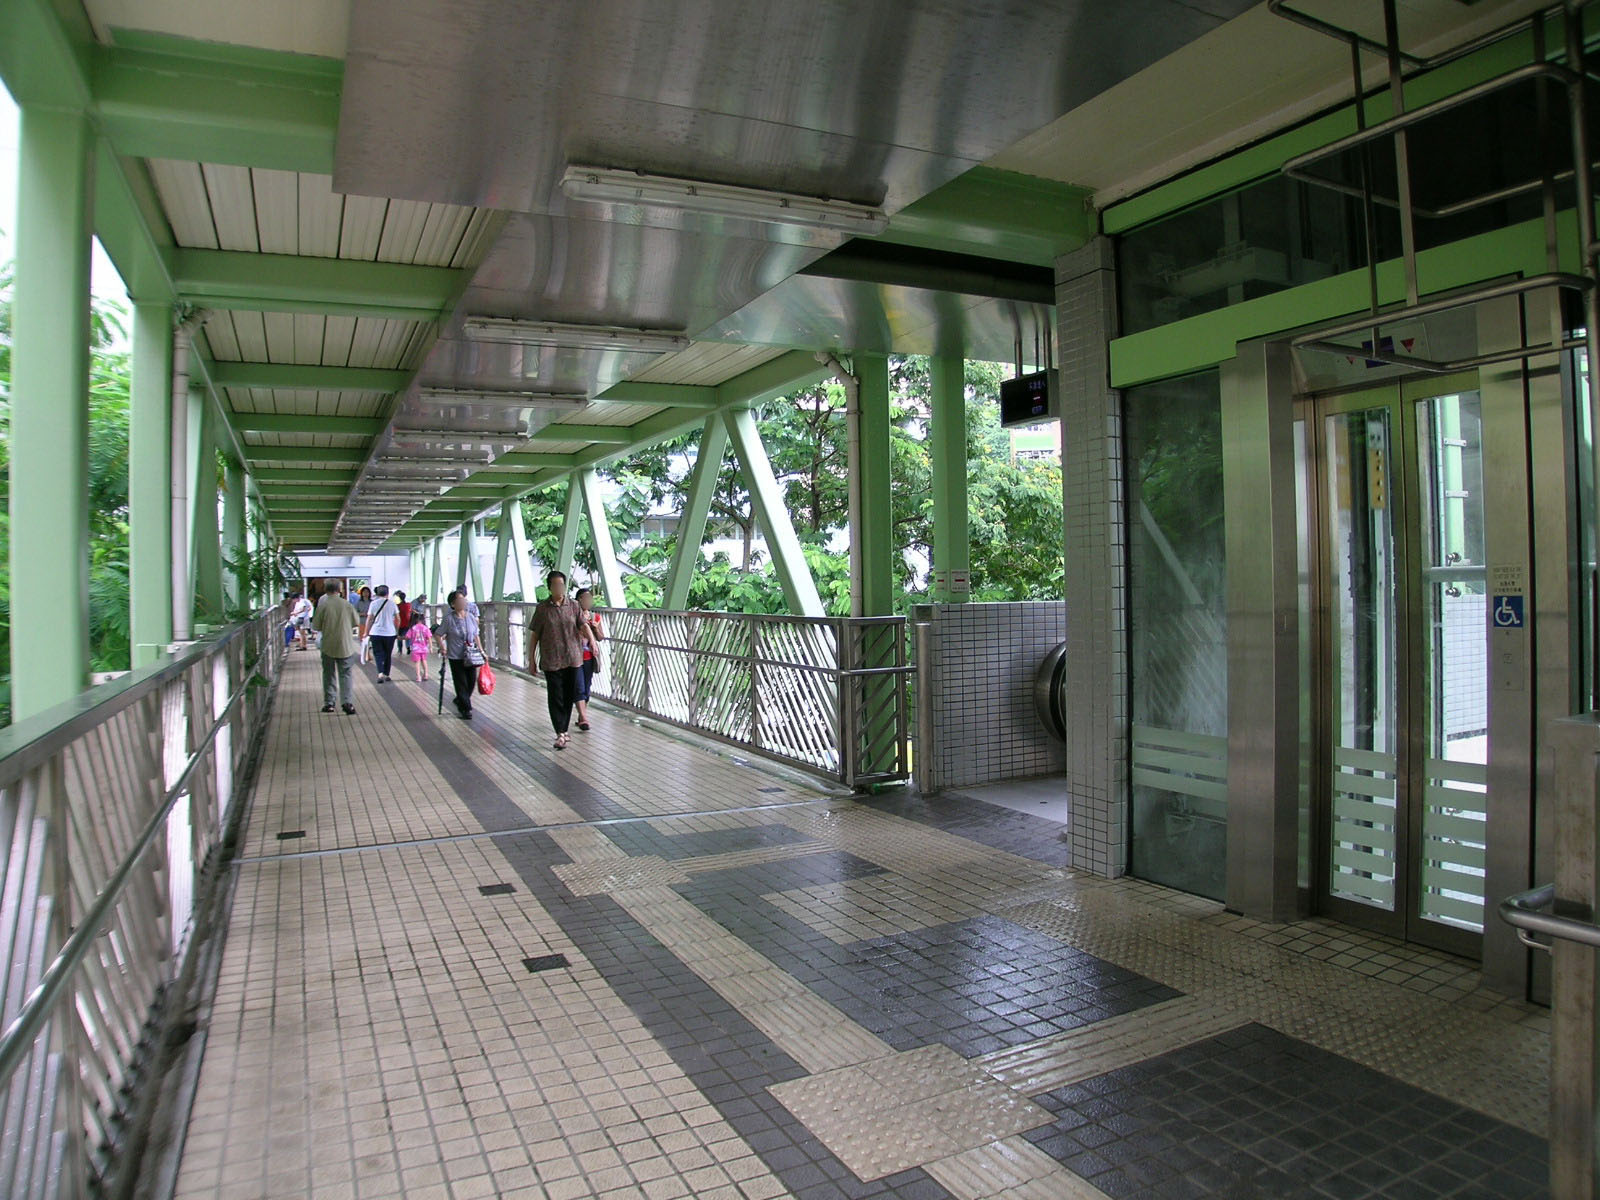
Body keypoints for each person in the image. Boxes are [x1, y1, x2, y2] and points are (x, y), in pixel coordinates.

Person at [527, 570, 596, 750]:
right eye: (555, 585)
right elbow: (534, 636)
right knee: (555, 696)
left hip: (573, 658)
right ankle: (560, 732)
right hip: (551, 660)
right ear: (549, 587)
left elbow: (583, 625)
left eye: (561, 585)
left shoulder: (573, 606)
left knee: (568, 696)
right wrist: (532, 660)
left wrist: (593, 643)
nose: (559, 588)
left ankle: (564, 729)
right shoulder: (542, 609)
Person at [437, 591, 487, 720]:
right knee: (461, 683)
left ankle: (461, 700)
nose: (463, 602)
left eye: (464, 599)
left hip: (470, 655)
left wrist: (482, 651)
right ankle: (465, 709)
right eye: (459, 600)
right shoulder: (448, 619)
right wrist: (442, 648)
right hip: (456, 655)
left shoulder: (470, 616)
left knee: (471, 682)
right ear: (453, 604)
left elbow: (476, 635)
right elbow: (438, 634)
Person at [311, 581, 359, 714]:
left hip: (328, 645)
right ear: (339, 589)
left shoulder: (323, 605)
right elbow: (356, 622)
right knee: (346, 674)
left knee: (328, 674)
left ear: (326, 590)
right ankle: (347, 702)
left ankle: (329, 703)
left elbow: (316, 626)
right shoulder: (347, 604)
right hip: (345, 645)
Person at [573, 587, 604, 733]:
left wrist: (595, 628)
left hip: (589, 656)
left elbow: (600, 637)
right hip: (574, 656)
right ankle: (583, 716)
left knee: (586, 685)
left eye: (589, 599)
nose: (587, 601)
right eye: (584, 598)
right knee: (578, 686)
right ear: (578, 600)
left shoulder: (595, 616)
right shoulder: (572, 615)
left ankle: (582, 715)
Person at [363, 585, 400, 683]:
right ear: (387, 593)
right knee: (388, 654)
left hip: (375, 633)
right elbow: (398, 619)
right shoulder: (392, 604)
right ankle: (387, 674)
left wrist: (366, 632)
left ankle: (380, 673)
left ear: (377, 593)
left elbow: (369, 619)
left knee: (378, 654)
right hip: (390, 633)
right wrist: (396, 630)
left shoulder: (373, 604)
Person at [404, 612, 433, 682]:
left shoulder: (412, 628)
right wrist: (431, 647)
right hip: (424, 648)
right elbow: (429, 638)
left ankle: (418, 677)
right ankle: (426, 675)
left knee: (417, 662)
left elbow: (407, 637)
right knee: (424, 661)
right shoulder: (425, 628)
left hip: (415, 649)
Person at [354, 585, 373, 663]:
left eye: (367, 592)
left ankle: (368, 654)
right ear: (361, 593)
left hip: (371, 624)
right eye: (364, 592)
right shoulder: (358, 602)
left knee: (370, 640)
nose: (366, 594)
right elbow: (355, 612)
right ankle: (366, 654)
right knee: (363, 639)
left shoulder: (372, 602)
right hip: (362, 623)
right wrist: (361, 614)